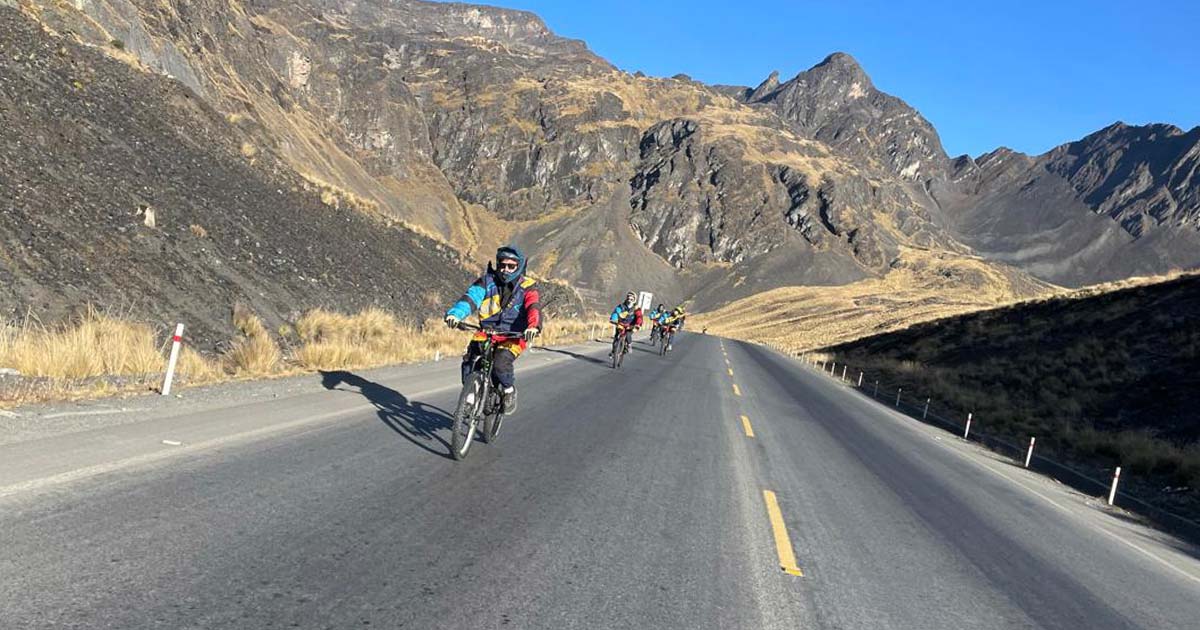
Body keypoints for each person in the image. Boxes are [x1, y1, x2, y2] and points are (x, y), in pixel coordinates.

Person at [444, 245, 540, 414]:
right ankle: (471, 396)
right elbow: (470, 298)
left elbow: (533, 307)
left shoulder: (528, 287)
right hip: (487, 332)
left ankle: (509, 390)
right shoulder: (486, 282)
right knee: (470, 360)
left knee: (501, 363)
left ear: (519, 266)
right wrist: (456, 315)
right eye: (502, 265)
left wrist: (533, 327)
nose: (506, 270)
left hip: (513, 335)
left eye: (511, 266)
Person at [608, 291, 643, 356]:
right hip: (621, 324)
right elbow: (616, 312)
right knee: (616, 337)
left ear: (634, 300)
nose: (629, 300)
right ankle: (613, 351)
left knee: (628, 335)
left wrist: (638, 324)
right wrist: (614, 319)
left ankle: (629, 345)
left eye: (631, 299)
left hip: (631, 325)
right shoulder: (621, 306)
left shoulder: (636, 308)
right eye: (628, 299)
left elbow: (639, 317)